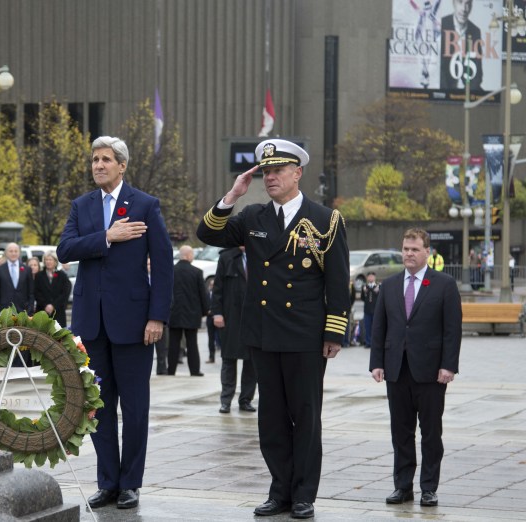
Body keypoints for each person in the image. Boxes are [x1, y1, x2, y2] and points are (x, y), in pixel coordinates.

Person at [196, 139, 349, 520]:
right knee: (272, 419)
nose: (270, 177)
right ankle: (279, 489)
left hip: (305, 335)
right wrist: (233, 194)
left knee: (305, 416)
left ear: (297, 173)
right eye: (265, 172)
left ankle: (303, 495)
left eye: (278, 170)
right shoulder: (253, 217)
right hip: (264, 334)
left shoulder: (325, 220)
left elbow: (337, 280)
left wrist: (334, 333)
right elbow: (208, 234)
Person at [58, 136, 174, 510]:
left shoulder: (145, 205)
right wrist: (106, 237)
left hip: (135, 324)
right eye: (94, 159)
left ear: (122, 166)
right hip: (93, 325)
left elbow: (164, 265)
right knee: (99, 408)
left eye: (106, 159)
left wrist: (157, 316)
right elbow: (64, 251)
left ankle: (131, 483)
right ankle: (107, 482)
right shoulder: (82, 206)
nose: (98, 165)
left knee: (135, 407)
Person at [370, 228, 461, 508]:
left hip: (431, 372)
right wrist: (377, 363)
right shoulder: (389, 285)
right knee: (401, 432)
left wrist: (449, 366)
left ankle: (429, 488)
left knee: (431, 432)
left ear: (427, 252)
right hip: (397, 370)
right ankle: (402, 486)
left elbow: (452, 330)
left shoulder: (444, 285)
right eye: (405, 249)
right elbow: (379, 326)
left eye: (414, 249)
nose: (409, 253)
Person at [212, 246, 257, 414]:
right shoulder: (227, 257)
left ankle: (246, 400)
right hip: (231, 317)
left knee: (252, 362)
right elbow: (217, 288)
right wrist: (217, 313)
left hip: (253, 318)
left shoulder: (258, 253)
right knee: (229, 360)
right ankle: (226, 400)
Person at [167, 245, 208, 376]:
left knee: (173, 343)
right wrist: (205, 311)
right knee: (192, 343)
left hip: (174, 312)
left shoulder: (172, 271)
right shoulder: (197, 272)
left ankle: (171, 370)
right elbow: (203, 294)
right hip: (192, 312)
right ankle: (195, 371)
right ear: (188, 255)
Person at [441, 0, 482, 93]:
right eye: (460, 2)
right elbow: (439, 69)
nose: (464, 9)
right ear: (453, 3)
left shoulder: (475, 31)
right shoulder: (442, 24)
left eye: (468, 3)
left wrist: (469, 94)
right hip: (445, 90)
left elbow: (478, 73)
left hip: (468, 93)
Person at [0, 242, 35, 315]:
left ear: (19, 253)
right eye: (11, 251)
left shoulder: (27, 269)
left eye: (16, 251)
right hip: (4, 311)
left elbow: (31, 292)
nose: (13, 253)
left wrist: (30, 309)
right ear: (6, 253)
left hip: (23, 311)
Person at [34, 251, 71, 327]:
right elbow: (36, 292)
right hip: (42, 311)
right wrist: (46, 305)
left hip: (58, 312)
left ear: (55, 261)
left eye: (50, 260)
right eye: (46, 260)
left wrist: (53, 305)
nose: (48, 262)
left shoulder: (62, 275)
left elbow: (65, 293)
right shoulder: (39, 275)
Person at [360, 273, 380, 348]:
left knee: (375, 327)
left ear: (375, 277)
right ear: (367, 278)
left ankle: (375, 343)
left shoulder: (378, 286)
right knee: (367, 327)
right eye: (369, 276)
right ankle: (368, 342)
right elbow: (362, 298)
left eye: (372, 276)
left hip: (375, 310)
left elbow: (380, 297)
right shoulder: (364, 287)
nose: (371, 278)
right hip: (367, 310)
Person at [205, 277, 220, 364]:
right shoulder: (207, 294)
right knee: (211, 339)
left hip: (218, 317)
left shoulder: (219, 295)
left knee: (221, 337)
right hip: (210, 318)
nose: (212, 286)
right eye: (211, 285)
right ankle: (211, 356)